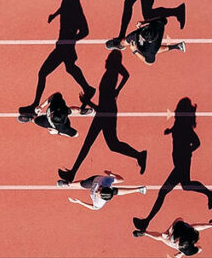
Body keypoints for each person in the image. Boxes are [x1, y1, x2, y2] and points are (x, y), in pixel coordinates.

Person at [58, 51, 147, 184]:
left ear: (111, 61)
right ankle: (139, 155)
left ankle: (139, 155)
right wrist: (118, 90)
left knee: (100, 144)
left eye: (108, 59)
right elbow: (126, 75)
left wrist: (87, 102)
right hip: (106, 112)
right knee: (110, 144)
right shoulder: (113, 72)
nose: (105, 60)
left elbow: (102, 108)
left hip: (106, 113)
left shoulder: (110, 75)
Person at [133, 98, 212, 232]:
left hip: (181, 164)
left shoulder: (185, 127)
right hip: (180, 162)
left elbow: (197, 143)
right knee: (186, 185)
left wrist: (186, 151)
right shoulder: (179, 124)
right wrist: (170, 131)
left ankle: (146, 221)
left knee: (163, 192)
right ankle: (210, 194)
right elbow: (179, 132)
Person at [19, 0, 96, 117]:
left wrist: (70, 41)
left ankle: (35, 105)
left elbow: (85, 30)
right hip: (64, 45)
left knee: (43, 72)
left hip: (63, 46)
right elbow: (64, 7)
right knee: (70, 68)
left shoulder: (73, 0)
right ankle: (88, 88)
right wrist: (55, 15)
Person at [107, 17, 186, 64]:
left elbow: (148, 62)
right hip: (150, 44)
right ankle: (177, 46)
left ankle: (120, 45)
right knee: (125, 40)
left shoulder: (150, 50)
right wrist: (144, 22)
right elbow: (162, 19)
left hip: (144, 48)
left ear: (148, 40)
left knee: (153, 51)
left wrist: (135, 51)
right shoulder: (158, 24)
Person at [132, 217, 212, 258]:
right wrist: (168, 231)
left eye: (177, 242)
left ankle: (145, 233)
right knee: (193, 227)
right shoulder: (180, 229)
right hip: (185, 231)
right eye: (177, 240)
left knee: (161, 238)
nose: (176, 242)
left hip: (187, 240)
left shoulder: (188, 251)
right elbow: (179, 219)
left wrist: (181, 254)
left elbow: (200, 249)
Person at [59, 170, 146, 211]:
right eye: (100, 189)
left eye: (98, 192)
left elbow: (93, 208)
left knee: (116, 192)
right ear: (105, 187)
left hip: (106, 190)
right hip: (94, 180)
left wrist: (79, 202)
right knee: (83, 184)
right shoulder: (106, 181)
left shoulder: (99, 203)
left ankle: (139, 190)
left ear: (101, 197)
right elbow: (121, 179)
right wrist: (112, 174)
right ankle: (68, 184)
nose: (97, 190)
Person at [18, 92, 92, 138]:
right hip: (62, 113)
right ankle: (82, 111)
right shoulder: (57, 105)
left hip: (50, 125)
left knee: (36, 120)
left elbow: (75, 135)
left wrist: (57, 132)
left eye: (50, 114)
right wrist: (41, 106)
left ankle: (31, 119)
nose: (49, 114)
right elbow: (55, 95)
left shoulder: (63, 128)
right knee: (76, 110)